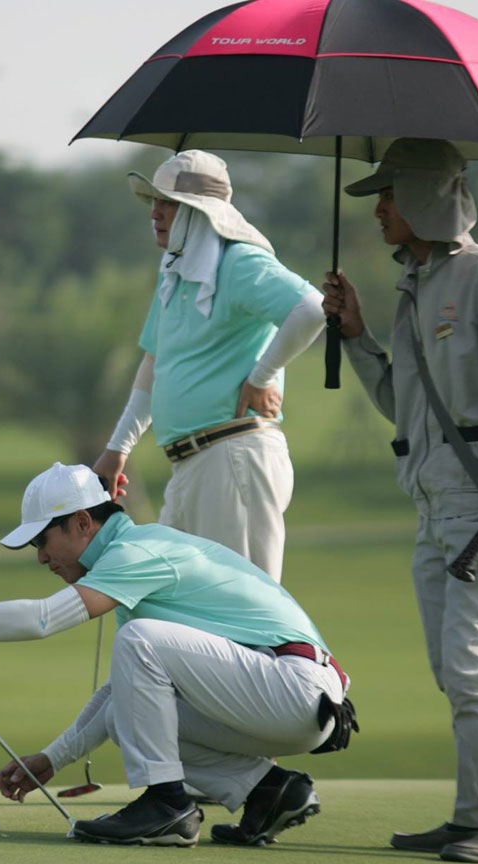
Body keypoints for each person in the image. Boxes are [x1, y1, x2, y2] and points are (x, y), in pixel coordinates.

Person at [0, 462, 357, 847]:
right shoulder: (132, 555)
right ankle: (269, 791)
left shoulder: (136, 552)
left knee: (138, 639)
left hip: (295, 689)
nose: (40, 557)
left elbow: (42, 619)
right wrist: (52, 759)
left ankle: (167, 807)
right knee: (130, 709)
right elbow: (119, 695)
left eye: (43, 540)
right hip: (290, 695)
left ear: (83, 522)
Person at [321, 138, 478, 864]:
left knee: (473, 668)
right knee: (451, 671)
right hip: (431, 509)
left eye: (389, 196)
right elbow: (405, 404)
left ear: (426, 197)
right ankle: (473, 815)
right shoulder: (414, 286)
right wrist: (357, 338)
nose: (379, 211)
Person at [93, 150, 330, 582]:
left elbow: (312, 309)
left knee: (245, 605)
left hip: (234, 458)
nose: (155, 212)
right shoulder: (175, 272)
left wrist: (261, 376)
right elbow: (155, 362)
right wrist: (118, 448)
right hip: (191, 464)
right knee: (175, 602)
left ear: (199, 211)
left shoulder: (240, 262)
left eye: (168, 203)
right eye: (154, 201)